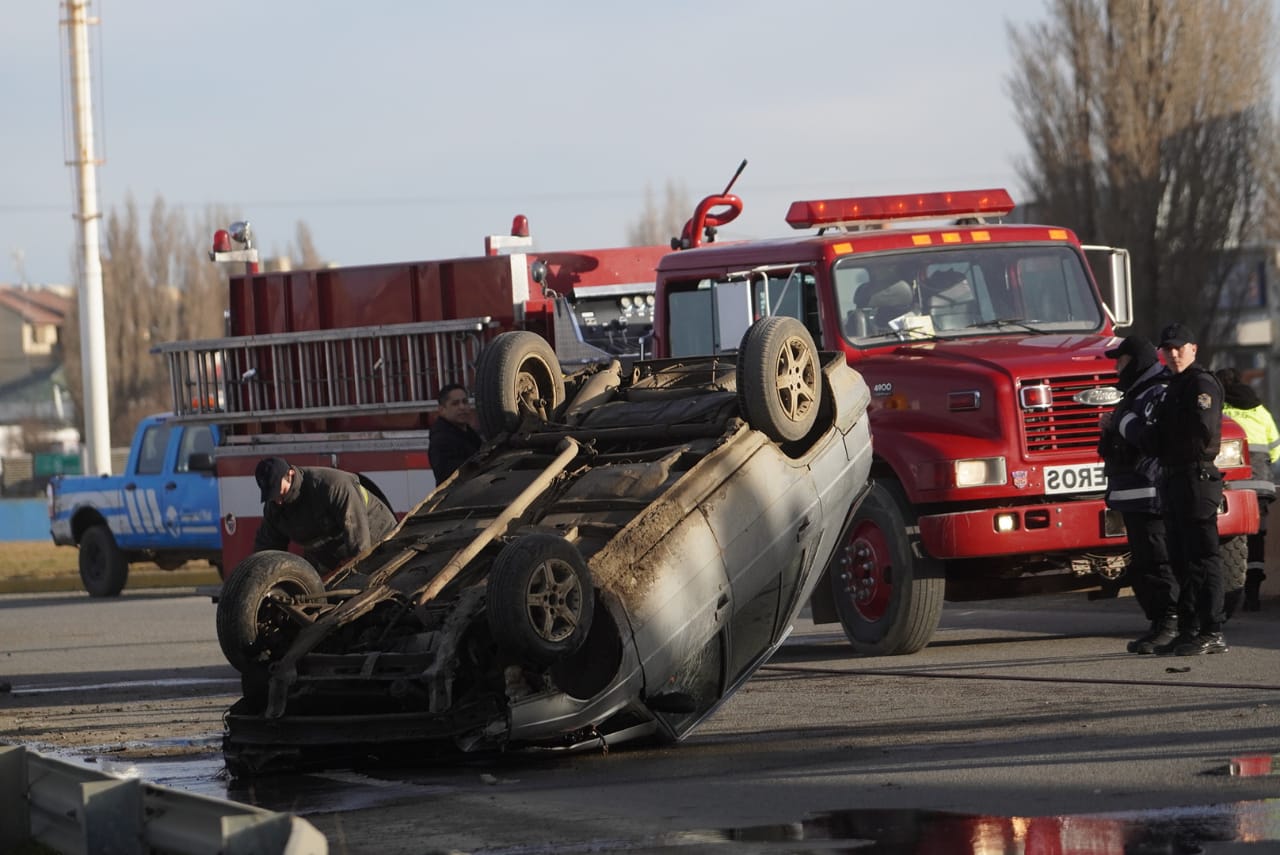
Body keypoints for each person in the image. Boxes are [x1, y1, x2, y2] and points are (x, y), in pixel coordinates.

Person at [1143, 323, 1227, 655]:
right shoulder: (1173, 387)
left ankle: (1212, 629)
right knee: (1180, 557)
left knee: (1203, 557)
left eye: (1179, 347)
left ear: (1194, 348)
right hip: (1175, 477)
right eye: (1167, 349)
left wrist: (1164, 439)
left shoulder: (1200, 383)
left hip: (1196, 477)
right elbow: (1156, 438)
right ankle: (1190, 628)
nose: (1173, 353)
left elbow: (1200, 433)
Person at [1097, 335, 1175, 654]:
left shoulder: (1156, 391)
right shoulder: (1135, 393)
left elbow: (1150, 438)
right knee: (1145, 564)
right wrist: (1110, 428)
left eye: (1122, 360)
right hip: (1133, 493)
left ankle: (1170, 624)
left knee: (1158, 561)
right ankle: (1161, 623)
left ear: (1137, 360)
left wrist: (1119, 422)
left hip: (1150, 492)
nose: (1117, 367)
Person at [253, 456, 397, 575]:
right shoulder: (275, 507)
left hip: (377, 538)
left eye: (279, 491)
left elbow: (359, 540)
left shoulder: (333, 486)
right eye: (272, 495)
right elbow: (267, 548)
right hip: (333, 555)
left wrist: (358, 573)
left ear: (290, 474)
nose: (277, 500)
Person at [1215, 366, 1279, 612]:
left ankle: (1225, 592)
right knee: (1256, 538)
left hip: (1230, 485)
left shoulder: (1218, 409)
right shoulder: (1260, 410)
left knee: (1226, 537)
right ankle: (1252, 594)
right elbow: (1275, 448)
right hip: (1261, 485)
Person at [428, 383, 483, 483]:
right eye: (455, 403)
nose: (462, 407)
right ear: (442, 410)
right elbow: (447, 475)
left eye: (465, 402)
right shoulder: (441, 440)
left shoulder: (471, 434)